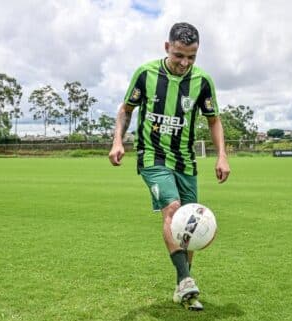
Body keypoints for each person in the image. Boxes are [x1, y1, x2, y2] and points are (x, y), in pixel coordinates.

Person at [108, 22, 230, 311]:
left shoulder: (203, 81)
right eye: (179, 55)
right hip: (153, 156)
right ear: (167, 48)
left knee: (189, 224)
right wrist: (117, 141)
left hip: (186, 161)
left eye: (191, 57)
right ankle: (186, 280)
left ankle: (182, 288)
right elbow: (126, 110)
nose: (184, 63)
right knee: (173, 210)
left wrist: (222, 155)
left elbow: (214, 120)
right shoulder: (146, 74)